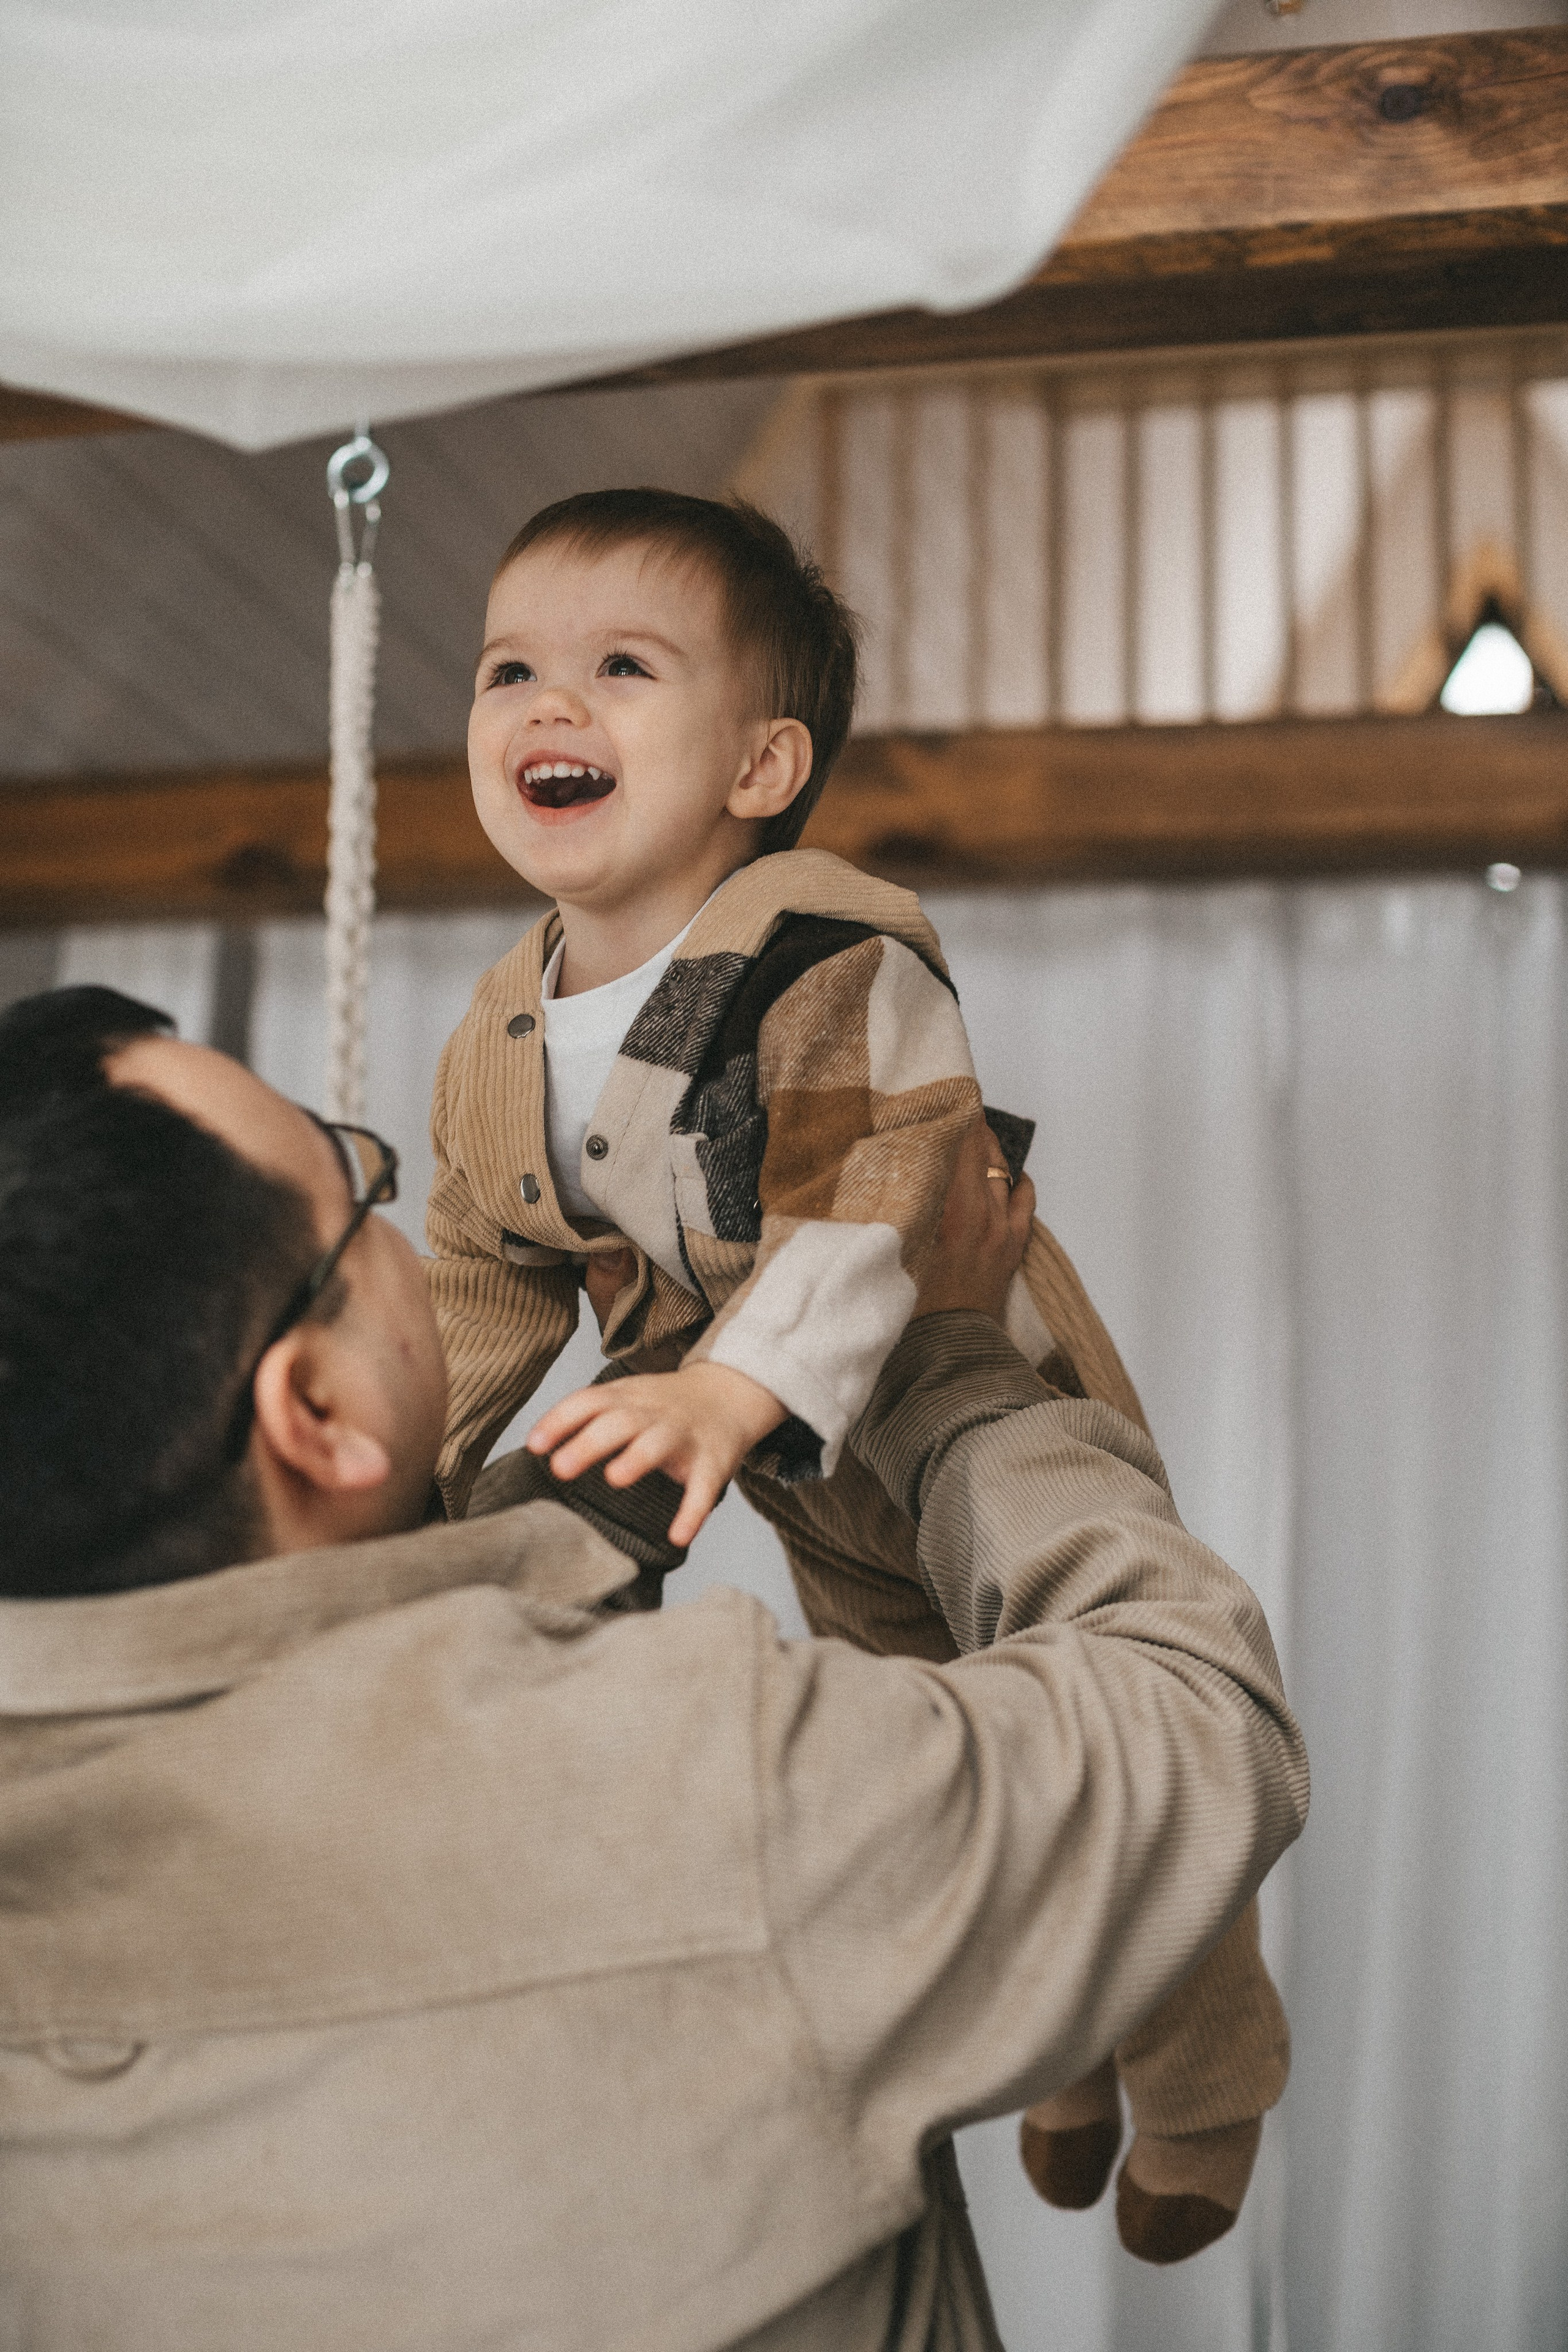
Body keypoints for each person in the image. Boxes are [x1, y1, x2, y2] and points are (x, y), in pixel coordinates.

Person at [0, 984, 1306, 2350]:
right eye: (350, 1183)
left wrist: (671, 1406)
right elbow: (1193, 1711)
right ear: (313, 1412)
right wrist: (945, 1367)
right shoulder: (705, 1797)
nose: (394, 1213)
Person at [428, 488, 1289, 2256]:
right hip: (803, 1467)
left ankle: (1209, 2089)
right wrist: (414, 1493)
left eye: (620, 667)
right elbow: (479, 1277)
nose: (545, 705)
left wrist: (732, 1394)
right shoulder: (501, 1024)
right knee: (939, 1736)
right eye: (510, 664)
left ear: (761, 766)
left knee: (1097, 1709)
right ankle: (1053, 2047)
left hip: (954, 1375)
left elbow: (873, 1205)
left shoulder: (819, 957)